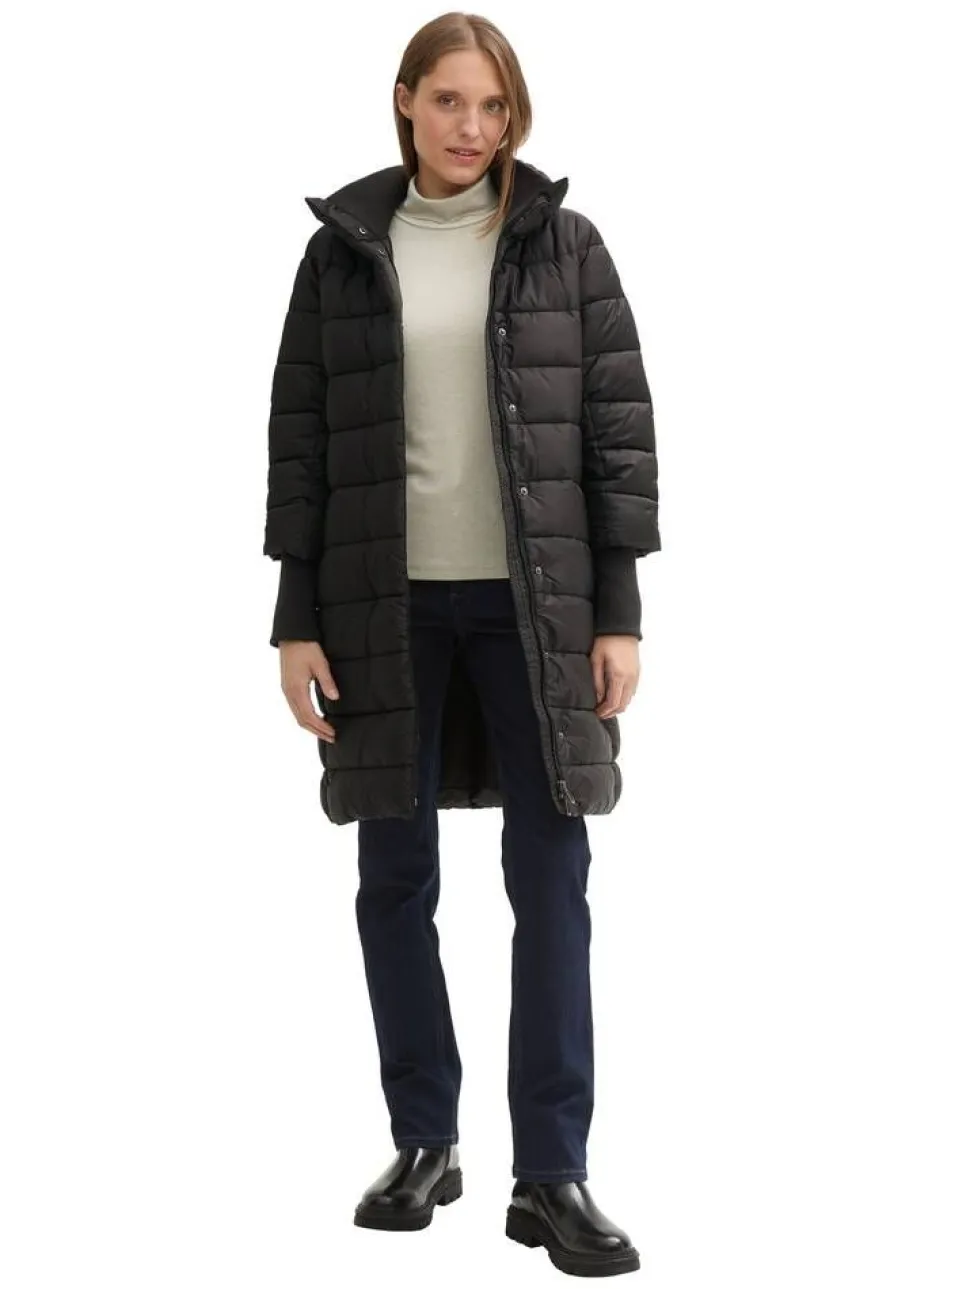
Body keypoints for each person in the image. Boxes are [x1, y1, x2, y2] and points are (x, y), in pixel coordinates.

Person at [263, 12, 660, 1278]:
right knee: (394, 878)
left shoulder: (562, 246)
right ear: (405, 101)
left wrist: (617, 609)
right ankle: (423, 1141)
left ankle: (552, 1170)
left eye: (492, 106)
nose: (471, 128)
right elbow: (302, 439)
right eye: (448, 101)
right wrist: (295, 616)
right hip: (381, 607)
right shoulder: (343, 251)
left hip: (536, 606)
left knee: (551, 877)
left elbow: (616, 430)